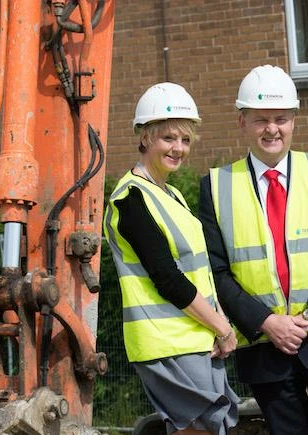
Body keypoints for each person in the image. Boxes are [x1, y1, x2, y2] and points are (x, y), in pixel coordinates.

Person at [198, 65, 308, 435]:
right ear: (242, 122)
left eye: (280, 118)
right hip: (266, 348)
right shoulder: (216, 186)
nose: (272, 129)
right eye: (261, 120)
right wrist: (267, 323)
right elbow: (216, 272)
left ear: (294, 120)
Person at [104, 82, 239, 435]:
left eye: (185, 139)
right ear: (145, 137)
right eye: (168, 138)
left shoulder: (171, 193)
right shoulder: (131, 200)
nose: (178, 148)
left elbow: (198, 273)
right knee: (200, 430)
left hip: (192, 336)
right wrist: (222, 327)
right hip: (166, 340)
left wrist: (216, 322)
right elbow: (168, 278)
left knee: (209, 428)